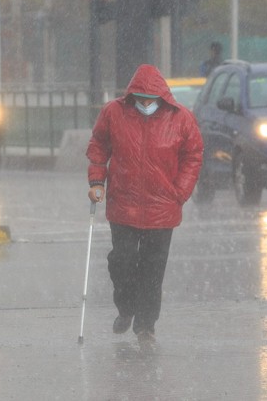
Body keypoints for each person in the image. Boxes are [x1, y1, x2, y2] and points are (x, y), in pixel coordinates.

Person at [86, 63, 203, 345]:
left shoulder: (181, 118)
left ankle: (146, 326)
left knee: (152, 270)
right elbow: (99, 146)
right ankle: (126, 308)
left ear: (161, 99)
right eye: (140, 100)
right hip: (122, 205)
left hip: (162, 209)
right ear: (132, 97)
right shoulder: (114, 112)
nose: (145, 104)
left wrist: (179, 192)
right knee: (121, 261)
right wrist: (96, 182)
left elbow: (193, 155)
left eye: (150, 100)